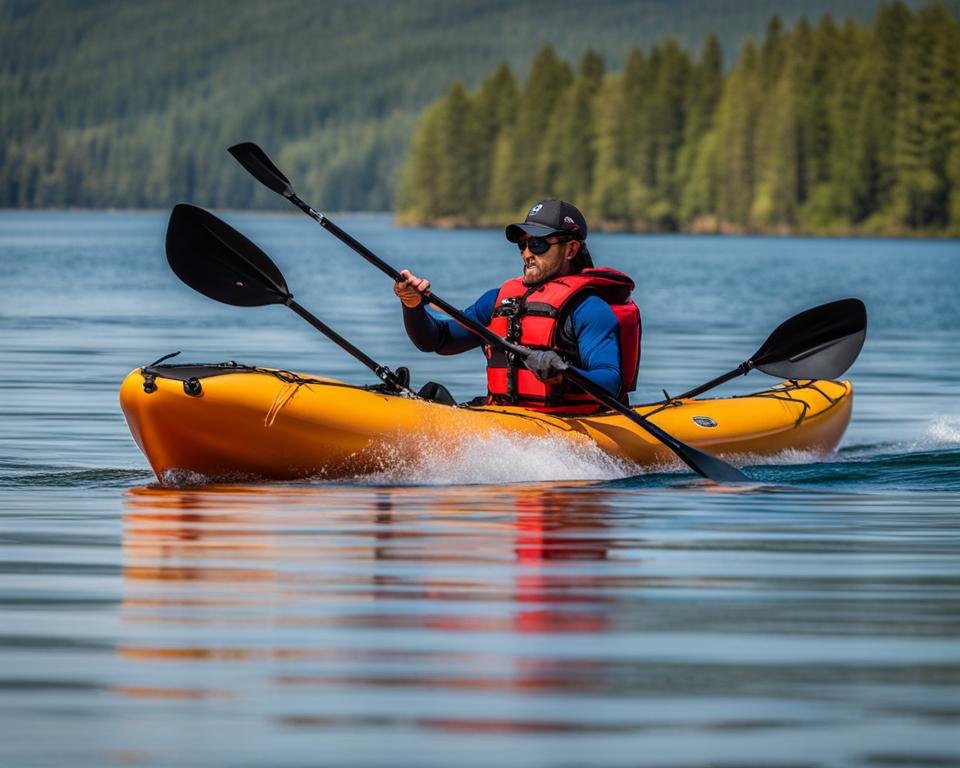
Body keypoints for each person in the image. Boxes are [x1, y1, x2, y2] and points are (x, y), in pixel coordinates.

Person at [394, 199, 641, 413]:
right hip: (505, 419)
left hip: (568, 425)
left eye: (538, 244)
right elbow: (438, 341)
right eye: (522, 244)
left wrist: (562, 372)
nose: (526, 254)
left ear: (571, 249)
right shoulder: (497, 301)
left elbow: (610, 380)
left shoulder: (588, 309)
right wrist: (412, 305)